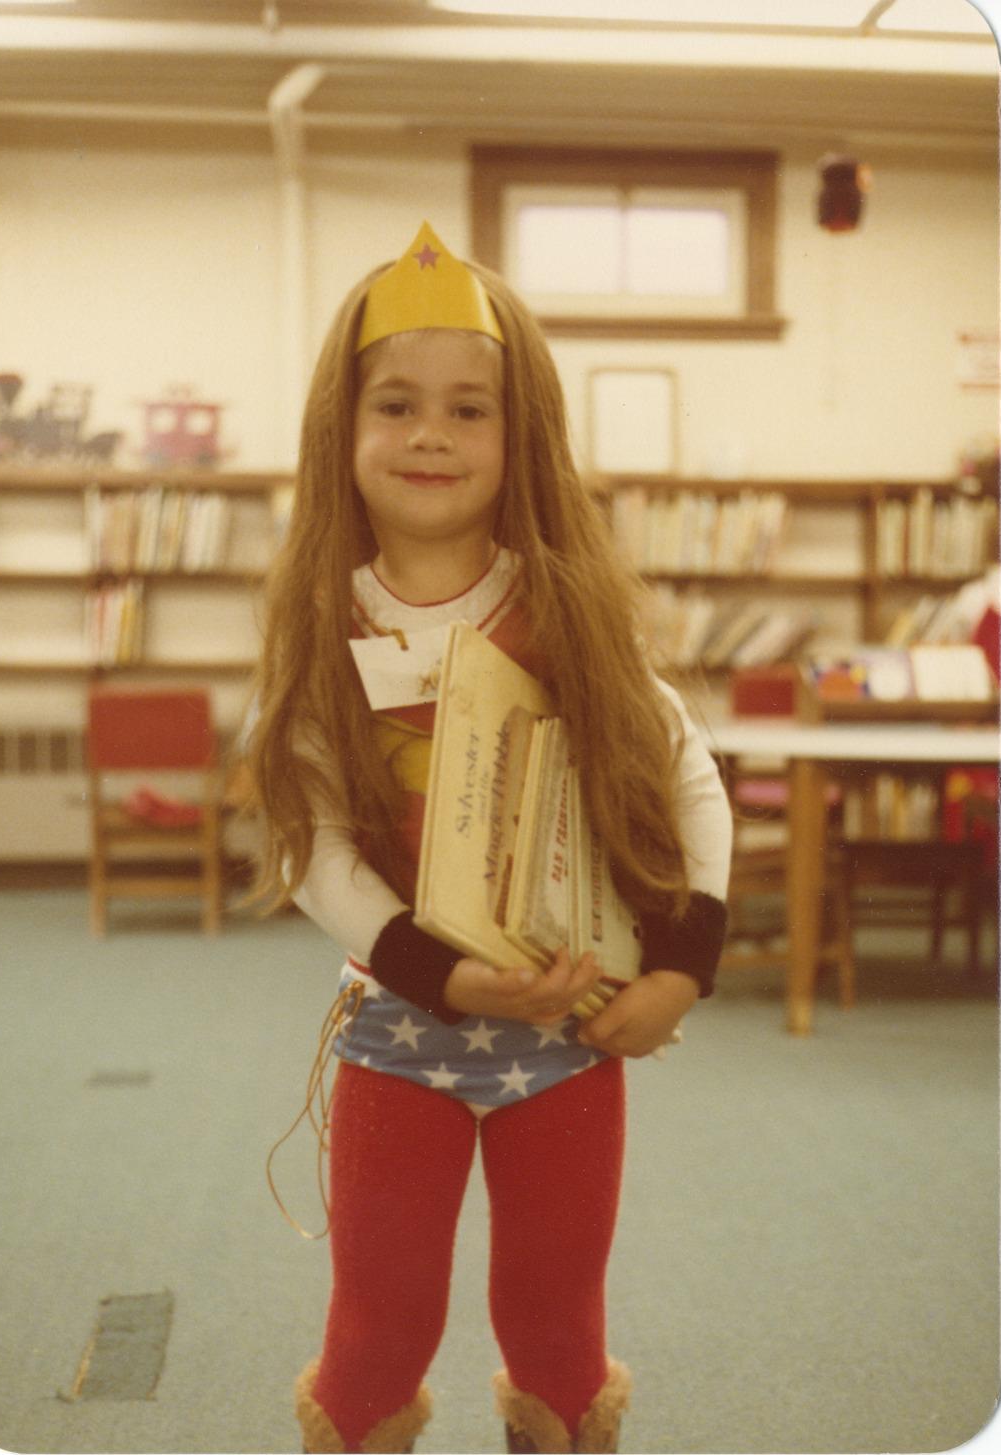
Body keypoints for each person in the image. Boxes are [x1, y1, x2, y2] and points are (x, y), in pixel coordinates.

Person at [248, 221, 732, 1455]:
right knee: (374, 1331)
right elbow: (311, 849)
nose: (429, 436)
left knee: (559, 1329)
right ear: (338, 433)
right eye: (396, 405)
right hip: (399, 1030)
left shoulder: (566, 608)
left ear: (522, 437)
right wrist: (436, 973)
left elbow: (682, 775)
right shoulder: (317, 633)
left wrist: (682, 965)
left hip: (565, 1030)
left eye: (471, 410)